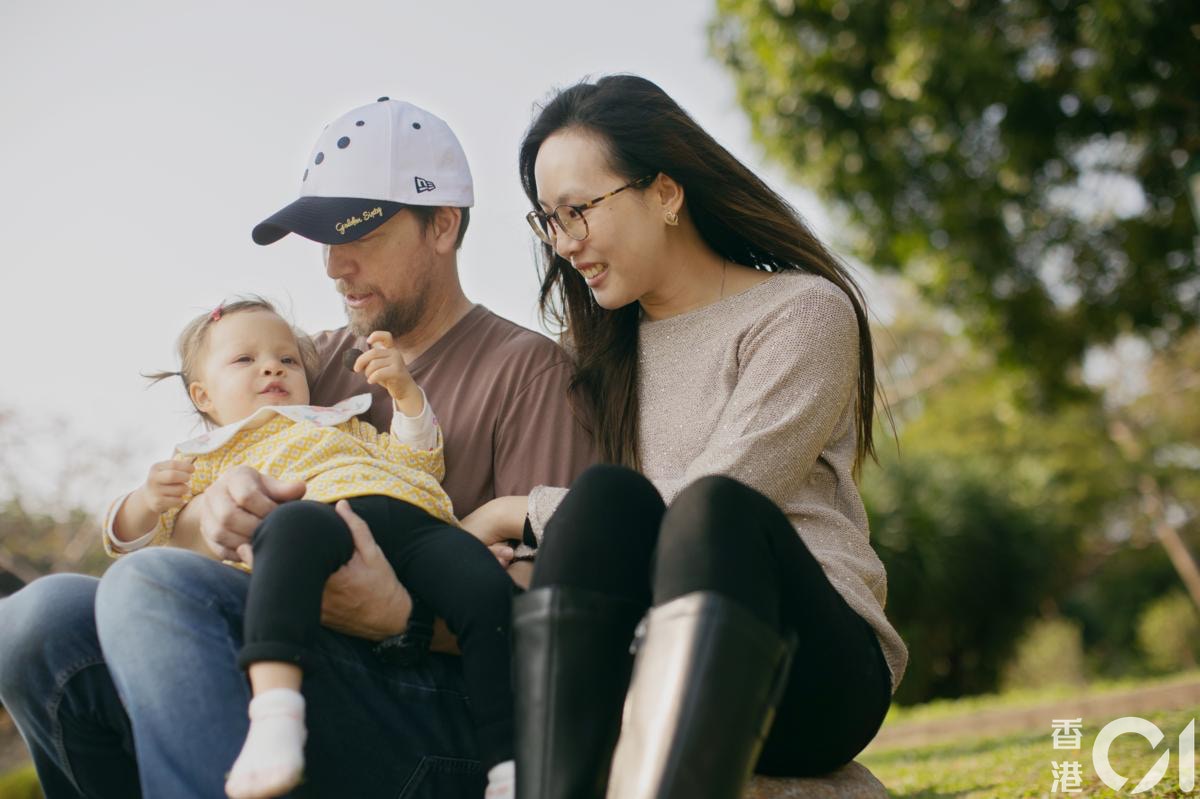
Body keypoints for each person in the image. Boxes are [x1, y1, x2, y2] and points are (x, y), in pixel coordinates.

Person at [0, 97, 594, 799]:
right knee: (37, 620)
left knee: (148, 584)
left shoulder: (529, 372)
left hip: (440, 705)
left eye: (358, 232)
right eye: (321, 237)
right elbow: (193, 514)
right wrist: (205, 517)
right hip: (291, 657)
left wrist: (399, 616)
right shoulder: (302, 359)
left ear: (443, 225)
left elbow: (564, 618)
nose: (334, 265)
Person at [460, 75, 910, 799]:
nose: (564, 242)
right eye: (547, 219)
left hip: (814, 667)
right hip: (651, 660)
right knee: (606, 498)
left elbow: (727, 492)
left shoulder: (800, 313)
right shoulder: (603, 359)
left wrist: (519, 510)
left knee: (709, 508)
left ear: (665, 193)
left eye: (579, 210)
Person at [106, 297, 518, 799]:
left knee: (486, 588)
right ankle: (276, 714)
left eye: (288, 359)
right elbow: (132, 540)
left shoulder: (339, 422)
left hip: (413, 521)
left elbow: (418, 461)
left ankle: (507, 764)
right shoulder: (209, 458)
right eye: (245, 360)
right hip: (316, 517)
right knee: (290, 528)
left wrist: (405, 394)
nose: (271, 367)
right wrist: (146, 500)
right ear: (203, 396)